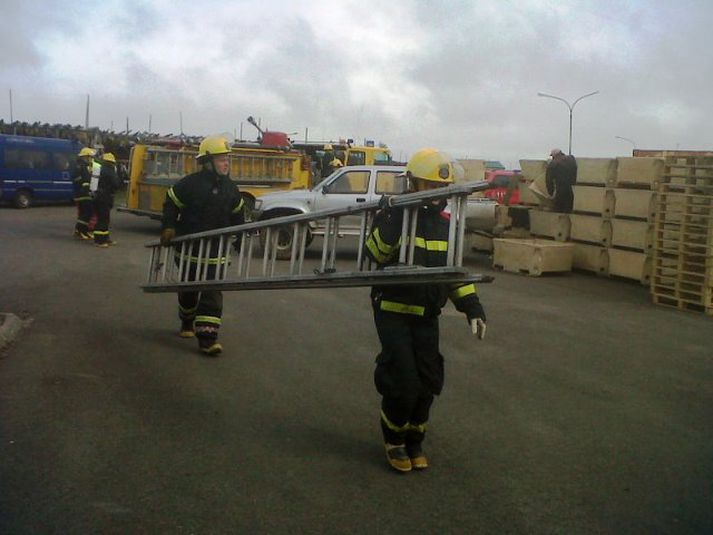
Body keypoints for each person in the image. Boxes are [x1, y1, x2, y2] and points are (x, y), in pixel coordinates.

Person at [364, 148, 487, 473]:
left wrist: (472, 308)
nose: (436, 194)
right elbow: (375, 252)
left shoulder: (446, 225)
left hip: (426, 315)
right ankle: (393, 439)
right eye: (429, 186)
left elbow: (453, 275)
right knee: (403, 381)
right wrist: (392, 217)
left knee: (429, 381)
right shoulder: (395, 215)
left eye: (439, 188)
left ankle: (414, 439)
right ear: (414, 185)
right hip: (392, 310)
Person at [160, 135, 246, 356]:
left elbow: (238, 214)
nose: (226, 163)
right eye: (221, 159)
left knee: (212, 292)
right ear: (207, 162)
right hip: (189, 252)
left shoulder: (230, 188)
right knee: (189, 291)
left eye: (227, 159)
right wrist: (169, 226)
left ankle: (207, 339)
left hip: (216, 253)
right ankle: (187, 321)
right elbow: (171, 203)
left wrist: (239, 237)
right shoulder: (190, 184)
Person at [93, 152, 121, 248]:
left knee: (102, 218)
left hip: (97, 196)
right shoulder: (110, 171)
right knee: (104, 219)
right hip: (105, 197)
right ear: (112, 162)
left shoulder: (99, 169)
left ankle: (105, 238)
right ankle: (100, 241)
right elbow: (116, 184)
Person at [72, 147, 96, 240]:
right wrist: (85, 187)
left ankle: (81, 231)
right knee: (87, 213)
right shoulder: (80, 166)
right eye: (90, 157)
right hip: (83, 194)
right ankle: (81, 231)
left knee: (84, 213)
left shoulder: (84, 166)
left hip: (84, 193)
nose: (91, 159)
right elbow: (78, 179)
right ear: (86, 157)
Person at [545, 148, 578, 213]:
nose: (552, 158)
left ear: (555, 155)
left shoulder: (553, 163)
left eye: (552, 156)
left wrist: (550, 193)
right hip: (570, 190)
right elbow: (575, 169)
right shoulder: (571, 159)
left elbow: (548, 180)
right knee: (568, 211)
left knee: (558, 212)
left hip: (560, 191)